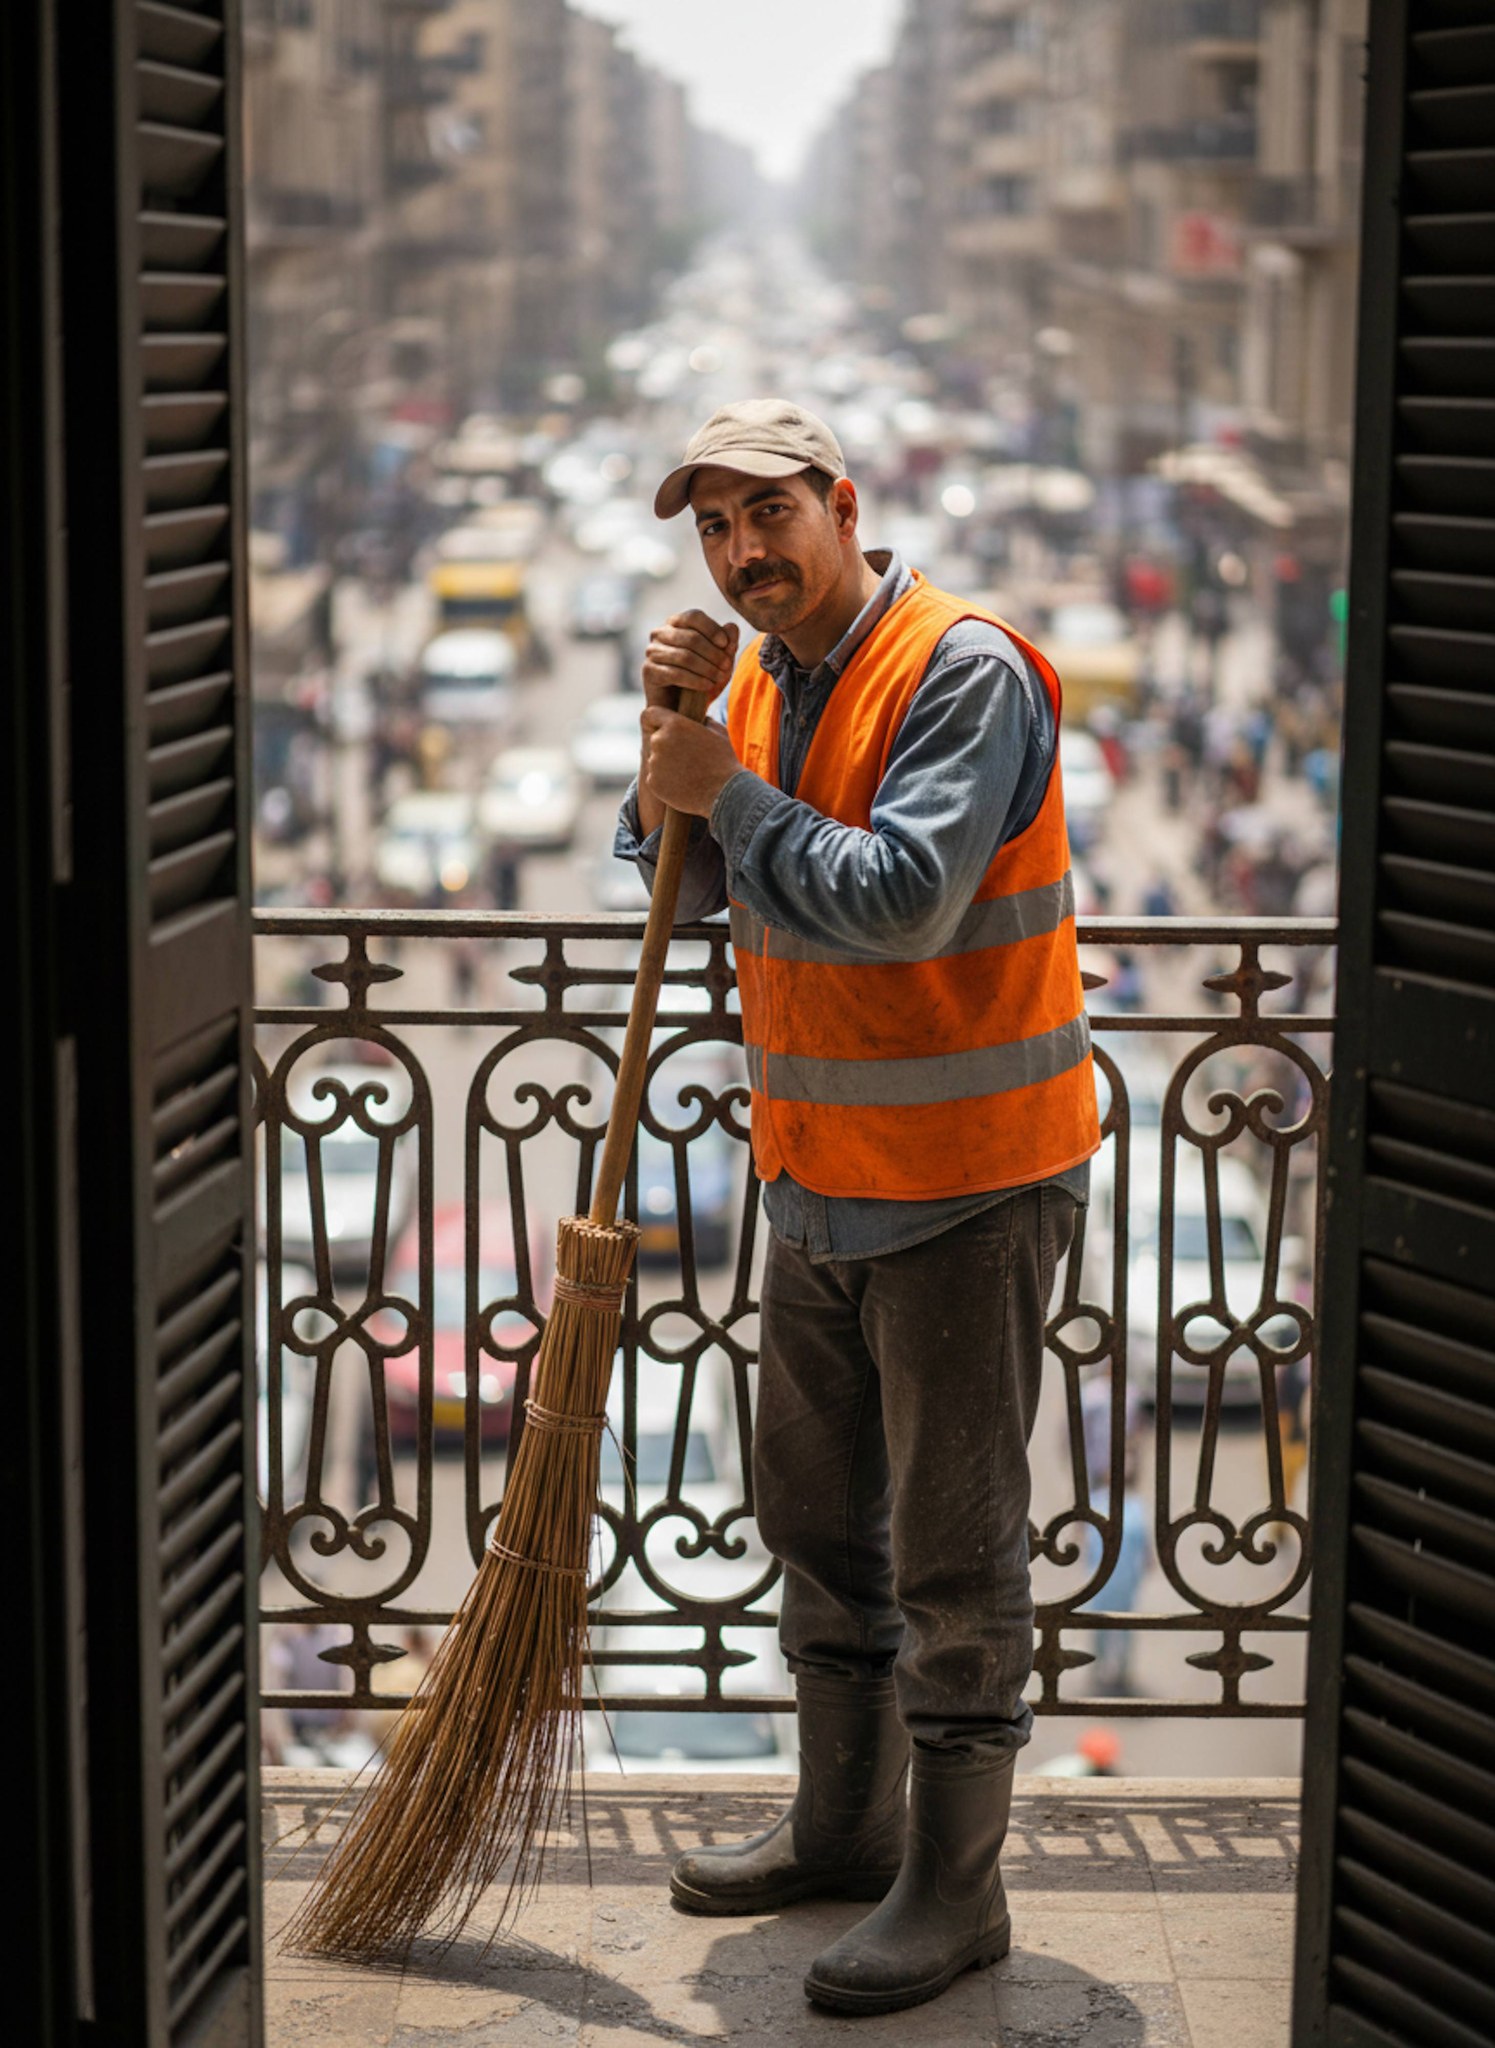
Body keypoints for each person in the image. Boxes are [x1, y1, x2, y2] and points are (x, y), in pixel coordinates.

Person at [614, 401, 1101, 2017]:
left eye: (770, 515)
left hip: (965, 1187)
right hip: (815, 1174)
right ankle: (843, 1828)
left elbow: (904, 903)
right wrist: (669, 753)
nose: (744, 553)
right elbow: (677, 880)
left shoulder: (965, 669)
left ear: (842, 503)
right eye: (715, 529)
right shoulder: (754, 674)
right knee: (820, 1525)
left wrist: (726, 792)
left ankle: (958, 1898)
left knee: (957, 1563)